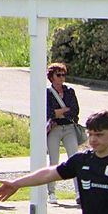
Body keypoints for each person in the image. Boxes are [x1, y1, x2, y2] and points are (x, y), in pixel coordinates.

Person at [44, 62, 82, 205]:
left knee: (75, 158)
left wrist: (59, 112)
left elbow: (74, 111)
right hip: (54, 129)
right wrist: (62, 111)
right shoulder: (47, 93)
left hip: (69, 128)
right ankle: (51, 192)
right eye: (58, 75)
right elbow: (48, 112)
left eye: (63, 75)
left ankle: (78, 192)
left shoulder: (69, 91)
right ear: (51, 77)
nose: (61, 78)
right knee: (54, 160)